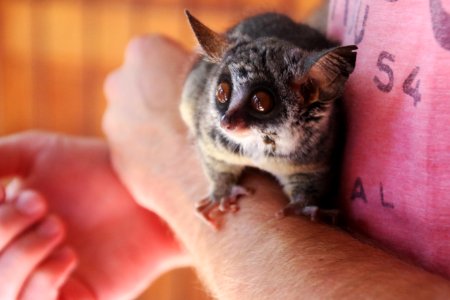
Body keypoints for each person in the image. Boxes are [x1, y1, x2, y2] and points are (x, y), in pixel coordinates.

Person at [1, 1, 450, 299]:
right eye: (223, 95)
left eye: (259, 102)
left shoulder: (310, 118)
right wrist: (148, 197)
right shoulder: (234, 109)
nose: (229, 118)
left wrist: (176, 168)